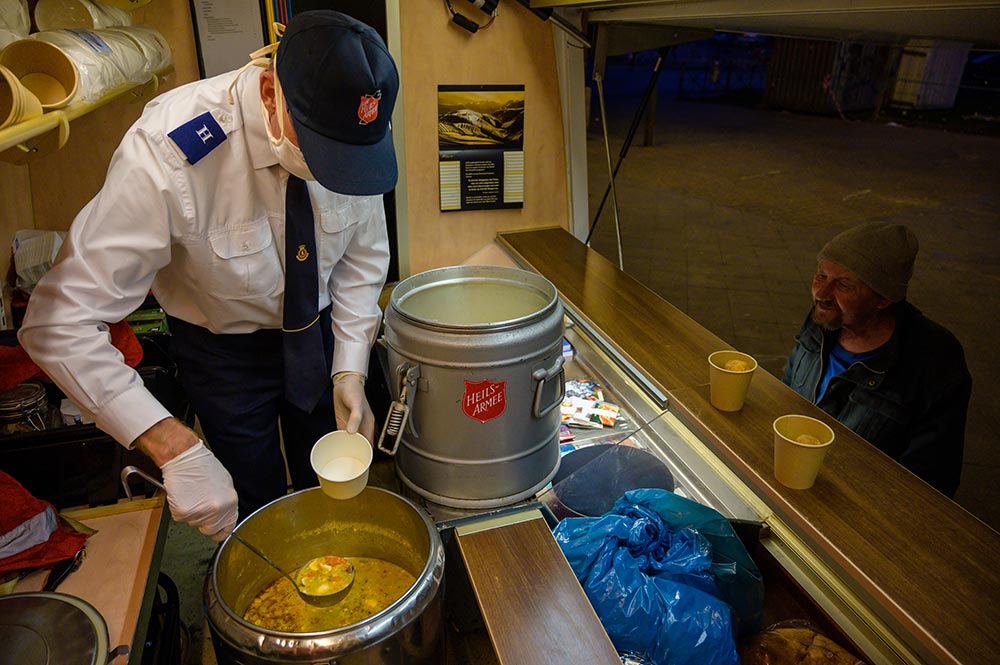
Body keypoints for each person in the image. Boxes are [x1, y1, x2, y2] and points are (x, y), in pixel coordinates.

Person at [17, 10, 398, 540]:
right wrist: (173, 447)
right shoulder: (168, 151)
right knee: (249, 500)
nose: (335, 170)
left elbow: (361, 262)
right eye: (321, 153)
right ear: (270, 94)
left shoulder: (350, 123)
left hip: (317, 336)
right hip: (223, 352)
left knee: (329, 483)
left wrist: (351, 368)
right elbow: (57, 325)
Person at [782, 222, 971, 497]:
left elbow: (929, 483)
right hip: (793, 478)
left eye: (843, 284)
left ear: (884, 299)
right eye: (821, 276)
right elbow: (786, 393)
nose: (821, 295)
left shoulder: (935, 361)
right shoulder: (825, 321)